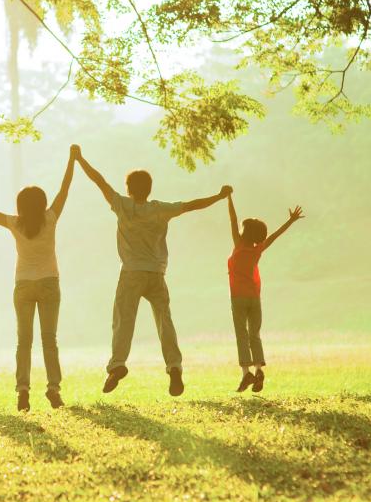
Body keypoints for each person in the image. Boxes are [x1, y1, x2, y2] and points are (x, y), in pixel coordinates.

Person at [73, 147, 231, 396]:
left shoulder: (122, 205)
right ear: (149, 189)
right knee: (164, 321)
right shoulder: (160, 209)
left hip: (131, 273)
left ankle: (117, 365)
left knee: (123, 321)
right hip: (156, 274)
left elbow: (99, 181)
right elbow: (192, 205)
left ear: (129, 188)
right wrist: (219, 196)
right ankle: (174, 366)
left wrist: (80, 158)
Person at [0, 145, 77, 412]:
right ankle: (53, 389)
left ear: (20, 206)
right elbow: (65, 189)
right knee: (49, 339)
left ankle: (22, 390)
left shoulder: (14, 223)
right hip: (49, 283)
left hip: (23, 286)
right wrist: (72, 159)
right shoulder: (51, 218)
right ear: (43, 203)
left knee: (24, 341)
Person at [226, 194, 304, 393]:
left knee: (241, 335)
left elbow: (233, 220)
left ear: (245, 233)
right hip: (254, 298)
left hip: (238, 298)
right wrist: (291, 220)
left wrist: (228, 198)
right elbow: (275, 235)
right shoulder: (258, 249)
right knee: (255, 334)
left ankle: (246, 373)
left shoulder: (238, 245)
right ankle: (259, 368)